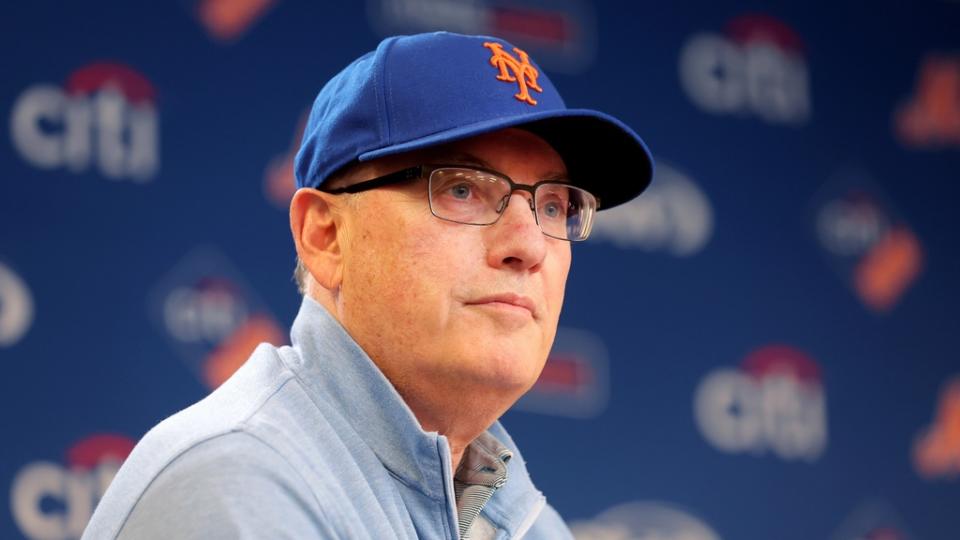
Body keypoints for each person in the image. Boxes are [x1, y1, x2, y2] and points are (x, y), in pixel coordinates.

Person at [83, 31, 653, 539]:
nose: (528, 246)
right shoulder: (239, 484)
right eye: (461, 189)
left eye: (554, 205)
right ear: (326, 237)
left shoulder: (528, 524)